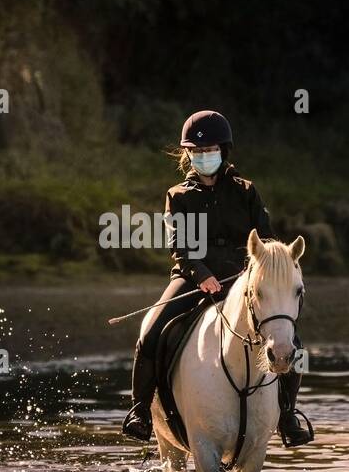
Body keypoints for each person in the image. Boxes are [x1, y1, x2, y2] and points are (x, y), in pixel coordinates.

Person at [121, 109, 315, 447]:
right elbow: (179, 246)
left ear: (222, 151)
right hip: (193, 278)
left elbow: (266, 241)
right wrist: (202, 275)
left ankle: (287, 415)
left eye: (209, 151)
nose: (203, 157)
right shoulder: (178, 196)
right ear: (188, 155)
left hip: (244, 279)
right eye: (196, 152)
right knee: (150, 333)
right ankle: (140, 411)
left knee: (291, 343)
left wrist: (254, 273)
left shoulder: (246, 191)